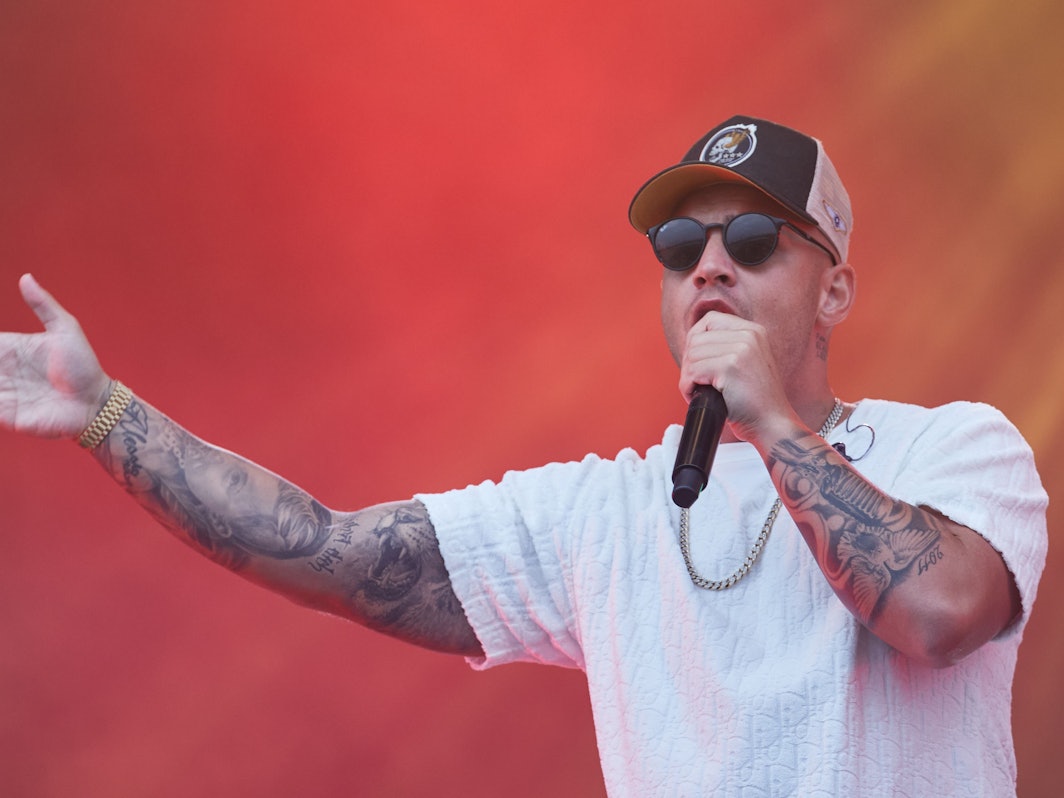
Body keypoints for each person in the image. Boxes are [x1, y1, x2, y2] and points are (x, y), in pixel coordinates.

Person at [0, 115, 1047, 796]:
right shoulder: (605, 512)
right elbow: (326, 548)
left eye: (754, 240)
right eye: (681, 250)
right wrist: (103, 413)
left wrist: (772, 423)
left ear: (834, 291)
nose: (711, 269)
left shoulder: (951, 446)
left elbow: (939, 614)